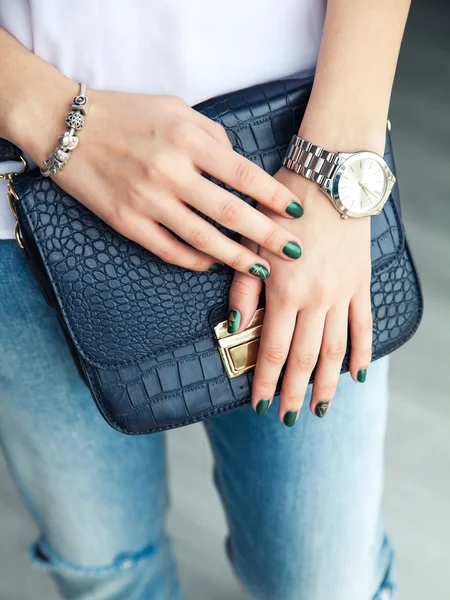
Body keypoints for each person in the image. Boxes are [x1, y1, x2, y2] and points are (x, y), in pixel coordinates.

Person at [0, 1, 411, 599]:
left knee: (326, 580)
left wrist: (339, 158)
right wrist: (55, 117)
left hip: (302, 159)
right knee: (104, 568)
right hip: (27, 191)